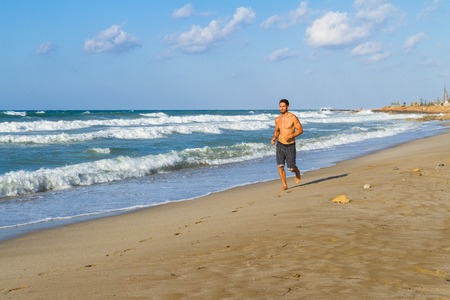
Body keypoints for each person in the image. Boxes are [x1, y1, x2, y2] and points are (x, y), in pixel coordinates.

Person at [271, 99, 303, 190]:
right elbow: (277, 131)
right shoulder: (278, 119)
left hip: (290, 145)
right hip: (280, 145)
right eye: (280, 106)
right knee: (280, 166)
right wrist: (274, 138)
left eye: (283, 106)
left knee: (291, 168)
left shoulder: (293, 118)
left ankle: (297, 172)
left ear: (287, 107)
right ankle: (284, 185)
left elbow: (300, 130)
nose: (281, 108)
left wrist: (292, 135)